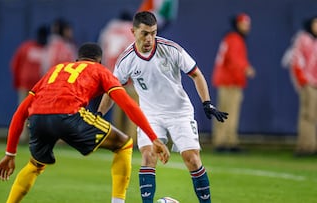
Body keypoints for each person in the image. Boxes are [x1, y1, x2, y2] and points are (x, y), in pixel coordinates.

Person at [0, 43, 170, 203]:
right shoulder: (100, 70)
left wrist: (10, 153)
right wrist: (153, 137)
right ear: (99, 60)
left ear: (77, 59)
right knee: (123, 144)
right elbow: (128, 104)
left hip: (38, 118)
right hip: (69, 115)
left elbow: (20, 112)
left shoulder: (56, 70)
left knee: (35, 164)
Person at [98, 11, 228, 203]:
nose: (150, 38)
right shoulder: (126, 60)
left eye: (153, 33)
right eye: (145, 33)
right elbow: (112, 90)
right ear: (133, 31)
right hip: (150, 115)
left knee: (192, 159)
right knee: (149, 155)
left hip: (179, 112)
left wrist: (206, 102)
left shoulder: (171, 49)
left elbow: (196, 74)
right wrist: (99, 114)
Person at [211, 13, 256, 153]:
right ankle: (227, 142)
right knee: (229, 112)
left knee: (225, 112)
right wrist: (246, 68)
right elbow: (235, 59)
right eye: (244, 24)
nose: (247, 27)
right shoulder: (235, 39)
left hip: (226, 80)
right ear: (238, 24)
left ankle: (224, 141)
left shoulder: (231, 38)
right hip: (230, 81)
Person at [97, 10, 138, 143]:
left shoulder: (108, 30)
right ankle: (133, 139)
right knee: (133, 107)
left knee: (116, 107)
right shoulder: (131, 31)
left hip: (112, 75)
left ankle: (118, 138)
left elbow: (101, 51)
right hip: (129, 76)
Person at [282, 16, 317, 157]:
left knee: (312, 116)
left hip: (314, 83)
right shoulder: (303, 39)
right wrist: (304, 81)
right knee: (307, 116)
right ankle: (305, 146)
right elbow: (295, 61)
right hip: (308, 84)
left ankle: (311, 145)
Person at [10, 25, 49, 142]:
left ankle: (37, 136)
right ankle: (22, 136)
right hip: (27, 85)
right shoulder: (27, 47)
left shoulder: (47, 50)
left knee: (40, 113)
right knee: (23, 112)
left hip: (41, 87)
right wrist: (17, 81)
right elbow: (16, 64)